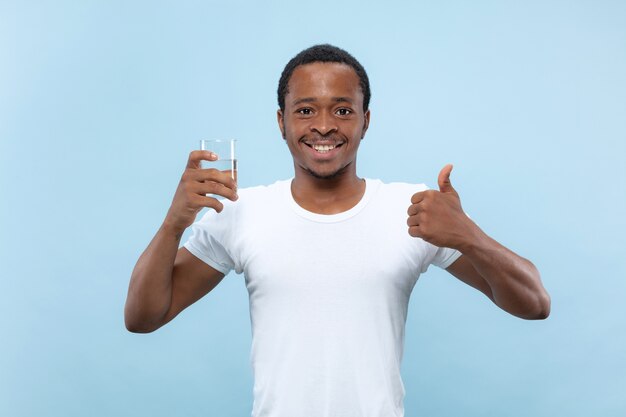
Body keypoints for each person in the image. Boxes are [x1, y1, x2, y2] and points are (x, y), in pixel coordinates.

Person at [125, 44, 551, 417]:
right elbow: (143, 318)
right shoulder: (241, 211)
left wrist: (467, 235)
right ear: (281, 122)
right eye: (306, 109)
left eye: (343, 110)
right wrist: (173, 224)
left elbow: (534, 303)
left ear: (366, 121)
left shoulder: (413, 210)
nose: (324, 125)